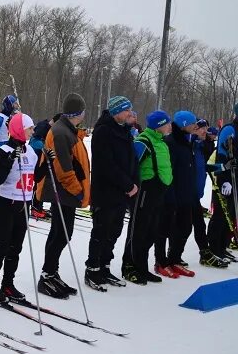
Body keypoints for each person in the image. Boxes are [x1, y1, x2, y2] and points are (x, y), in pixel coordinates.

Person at [35, 93, 90, 299]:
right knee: (61, 233)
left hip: (65, 190)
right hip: (62, 190)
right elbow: (63, 169)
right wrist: (77, 190)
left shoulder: (68, 129)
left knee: (62, 233)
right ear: (79, 112)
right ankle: (47, 275)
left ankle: (51, 272)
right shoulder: (60, 131)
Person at [84, 96, 138, 291]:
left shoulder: (124, 131)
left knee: (114, 231)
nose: (129, 114)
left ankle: (105, 266)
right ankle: (93, 268)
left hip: (121, 192)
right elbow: (106, 164)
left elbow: (132, 160)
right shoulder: (103, 131)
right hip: (105, 191)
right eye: (126, 110)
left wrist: (134, 183)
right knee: (101, 230)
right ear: (116, 111)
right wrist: (127, 184)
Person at [0, 112, 37, 303]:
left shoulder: (30, 152)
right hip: (5, 203)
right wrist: (9, 161)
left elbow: (35, 178)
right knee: (1, 246)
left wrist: (47, 161)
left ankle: (8, 283)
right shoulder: (3, 150)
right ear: (19, 129)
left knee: (16, 247)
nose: (33, 131)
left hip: (23, 204)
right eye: (29, 128)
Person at [121, 111, 173, 285]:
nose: (169, 126)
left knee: (151, 232)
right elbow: (131, 165)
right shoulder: (144, 141)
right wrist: (131, 187)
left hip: (158, 192)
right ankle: (130, 266)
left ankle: (142, 267)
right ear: (158, 126)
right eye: (167, 124)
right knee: (138, 230)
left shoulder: (161, 142)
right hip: (145, 192)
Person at [154, 111, 200, 278]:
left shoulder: (186, 141)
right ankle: (161, 261)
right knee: (164, 229)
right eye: (192, 123)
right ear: (183, 124)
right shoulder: (170, 142)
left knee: (185, 227)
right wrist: (170, 195)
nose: (195, 126)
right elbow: (168, 171)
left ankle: (175, 258)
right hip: (172, 195)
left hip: (186, 194)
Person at [192, 120, 228, 268]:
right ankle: (167, 259)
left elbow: (206, 166)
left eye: (206, 129)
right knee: (179, 227)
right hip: (183, 193)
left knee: (198, 225)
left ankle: (205, 253)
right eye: (201, 128)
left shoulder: (202, 145)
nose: (204, 132)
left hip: (195, 193)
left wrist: (222, 167)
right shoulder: (191, 145)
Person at [207, 103, 238, 263]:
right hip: (227, 178)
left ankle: (224, 245)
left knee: (232, 214)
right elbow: (222, 156)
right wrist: (225, 180)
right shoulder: (229, 129)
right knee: (221, 214)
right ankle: (214, 247)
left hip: (236, 178)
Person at [0, 95, 21, 215]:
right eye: (14, 104)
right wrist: (0, 148)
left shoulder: (14, 117)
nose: (16, 106)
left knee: (11, 179)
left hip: (13, 151)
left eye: (16, 104)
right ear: (8, 104)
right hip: (1, 151)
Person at [29, 113, 61, 218]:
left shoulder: (49, 128)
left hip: (42, 156)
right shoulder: (44, 126)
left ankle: (38, 205)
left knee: (43, 180)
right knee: (38, 181)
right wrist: (45, 147)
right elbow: (33, 141)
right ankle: (35, 207)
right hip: (36, 156)